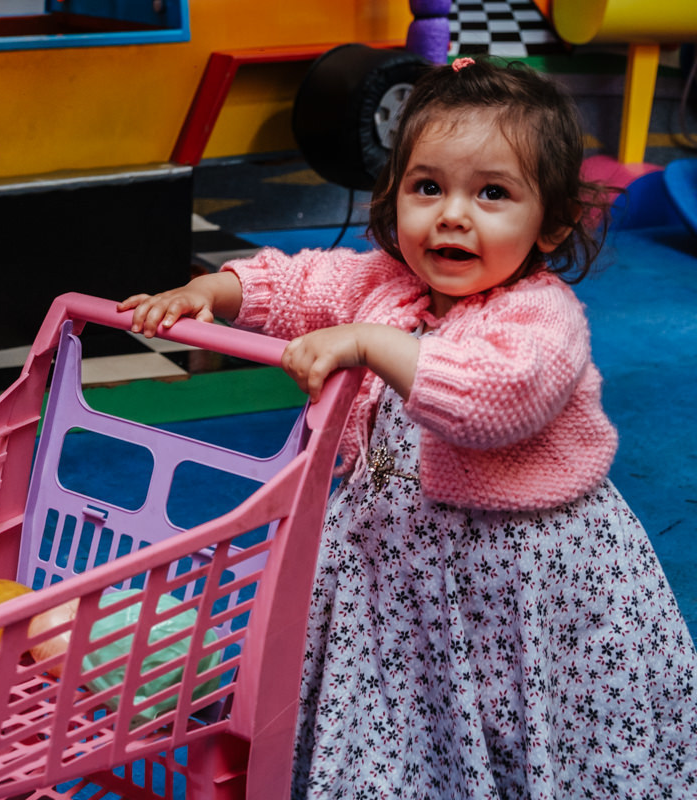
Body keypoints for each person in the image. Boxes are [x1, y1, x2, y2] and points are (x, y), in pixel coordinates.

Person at [120, 57, 697, 799]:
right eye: (428, 188)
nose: (452, 214)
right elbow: (301, 284)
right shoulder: (385, 284)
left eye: (492, 193)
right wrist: (215, 290)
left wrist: (370, 345)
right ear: (396, 200)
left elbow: (496, 398)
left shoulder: (541, 319)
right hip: (394, 567)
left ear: (551, 222)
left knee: (515, 720)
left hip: (519, 584)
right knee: (402, 716)